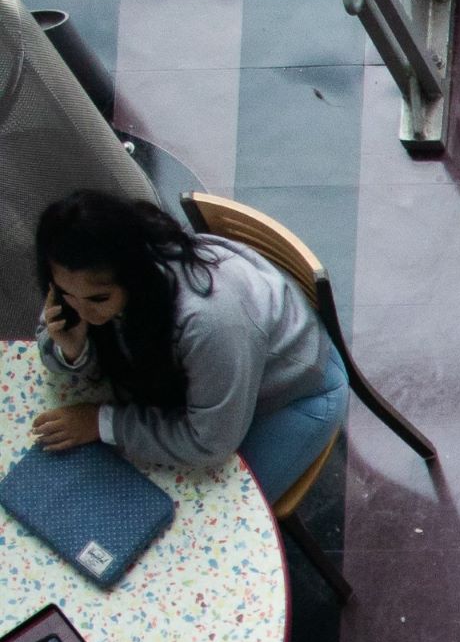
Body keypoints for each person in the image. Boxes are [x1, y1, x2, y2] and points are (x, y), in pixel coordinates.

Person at [30, 190, 346, 475]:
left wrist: (100, 423)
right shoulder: (88, 281)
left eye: (98, 299)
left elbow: (209, 443)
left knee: (210, 524)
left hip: (295, 391)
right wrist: (72, 351)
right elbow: (64, 332)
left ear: (134, 277)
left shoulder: (209, 323)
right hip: (221, 376)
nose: (81, 312)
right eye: (65, 294)